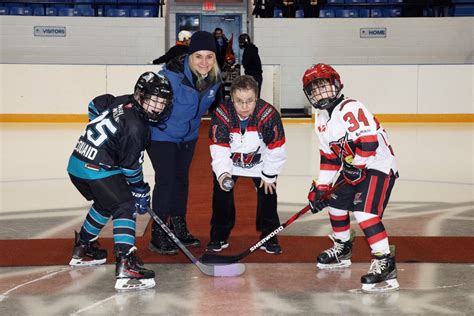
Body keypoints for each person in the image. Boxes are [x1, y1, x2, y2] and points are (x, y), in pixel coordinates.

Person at [67, 72, 174, 290]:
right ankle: (126, 263)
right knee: (125, 205)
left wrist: (103, 140)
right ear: (140, 96)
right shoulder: (137, 128)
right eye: (153, 100)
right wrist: (140, 190)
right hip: (96, 169)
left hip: (77, 163)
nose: (157, 106)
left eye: (162, 102)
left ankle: (83, 247)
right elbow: (130, 167)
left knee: (107, 203)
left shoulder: (124, 100)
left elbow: (96, 104)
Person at [302, 63, 399, 293]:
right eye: (315, 89)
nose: (321, 92)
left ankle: (385, 262)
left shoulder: (350, 107)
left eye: (324, 85)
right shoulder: (321, 119)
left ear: (336, 85)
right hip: (354, 168)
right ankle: (343, 247)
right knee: (334, 204)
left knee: (364, 212)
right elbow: (329, 157)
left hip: (378, 165)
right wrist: (321, 188)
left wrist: (357, 165)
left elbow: (369, 143)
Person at [147, 31, 223, 255]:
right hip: (162, 135)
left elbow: (215, 110)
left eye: (209, 56)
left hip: (188, 137)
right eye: (198, 56)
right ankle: (159, 232)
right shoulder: (172, 77)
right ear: (190, 56)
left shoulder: (214, 80)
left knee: (181, 181)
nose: (204, 62)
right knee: (166, 181)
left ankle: (178, 226)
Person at [207, 75, 286, 254]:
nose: (244, 107)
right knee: (221, 195)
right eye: (239, 101)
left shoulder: (268, 114)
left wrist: (269, 175)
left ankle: (269, 236)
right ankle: (219, 236)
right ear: (231, 99)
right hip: (230, 162)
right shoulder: (222, 113)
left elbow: (277, 147)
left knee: (268, 194)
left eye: (249, 101)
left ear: (256, 98)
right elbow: (219, 148)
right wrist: (223, 174)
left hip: (261, 162)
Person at [239, 33, 263, 98]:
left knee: (252, 96)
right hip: (256, 75)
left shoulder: (248, 50)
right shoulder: (251, 49)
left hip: (253, 75)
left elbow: (246, 63)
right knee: (255, 96)